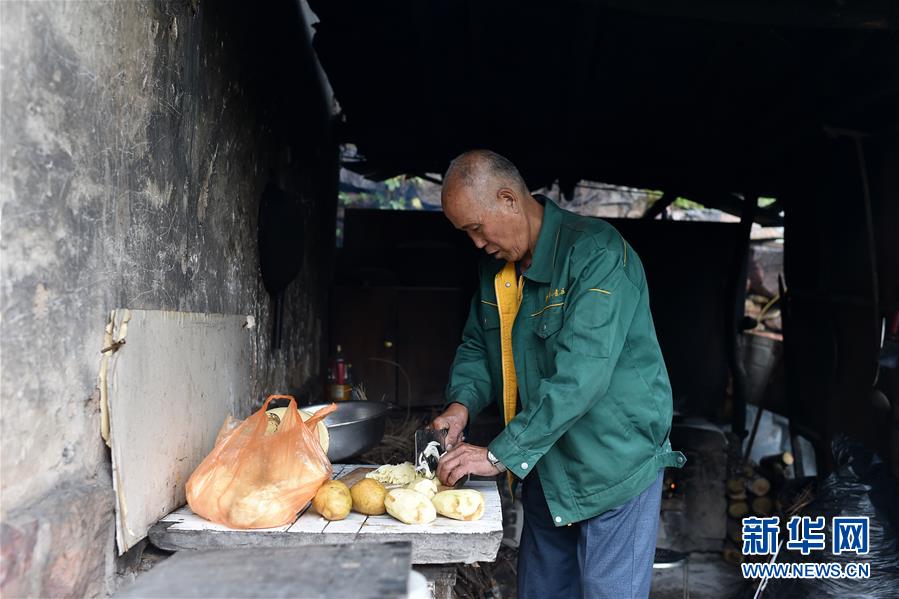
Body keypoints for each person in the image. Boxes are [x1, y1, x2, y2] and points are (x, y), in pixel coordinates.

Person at [432, 150, 686, 598]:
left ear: (508, 200)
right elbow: (479, 346)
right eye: (465, 232)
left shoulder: (596, 255)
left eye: (476, 227)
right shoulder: (497, 270)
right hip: (547, 467)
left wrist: (498, 455)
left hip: (614, 467)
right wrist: (460, 405)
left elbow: (581, 376)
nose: (475, 242)